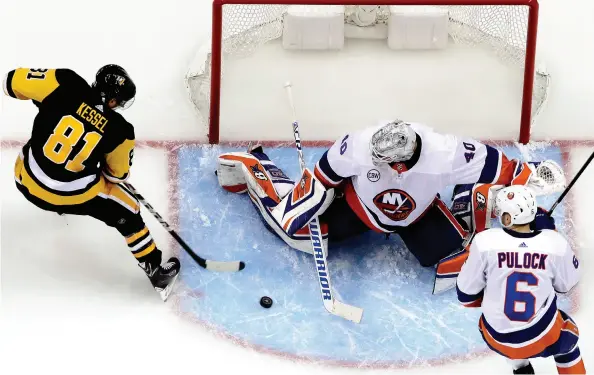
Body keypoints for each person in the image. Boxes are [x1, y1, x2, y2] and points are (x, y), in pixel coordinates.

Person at [3, 65, 180, 300]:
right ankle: (155, 270)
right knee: (129, 207)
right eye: (118, 101)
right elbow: (117, 175)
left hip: (25, 179)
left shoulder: (65, 82)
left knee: (42, 155)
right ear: (113, 101)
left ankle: (57, 203)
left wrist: (46, 102)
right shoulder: (121, 131)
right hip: (71, 197)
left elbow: (10, 82)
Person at [456, 185, 584, 374]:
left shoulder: (485, 242)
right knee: (568, 340)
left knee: (508, 338)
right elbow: (566, 286)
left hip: (496, 338)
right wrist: (550, 233)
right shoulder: (553, 243)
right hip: (540, 336)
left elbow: (465, 296)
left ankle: (520, 367)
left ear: (508, 216)